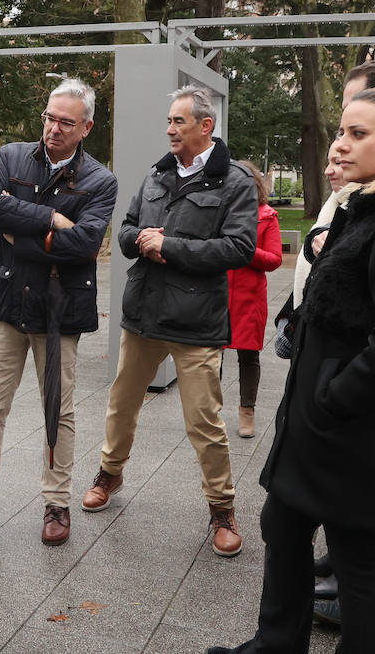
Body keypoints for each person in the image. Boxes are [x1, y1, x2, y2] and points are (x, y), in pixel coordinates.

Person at [208, 86, 375, 654]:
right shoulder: (370, 208)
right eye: (340, 132)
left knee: (357, 557)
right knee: (284, 528)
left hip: (357, 426)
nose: (342, 145)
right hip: (321, 420)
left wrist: (334, 399)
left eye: (358, 133)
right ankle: (277, 643)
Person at [80, 85, 257, 557]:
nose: (169, 129)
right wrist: (140, 239)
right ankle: (110, 474)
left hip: (196, 322)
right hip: (143, 314)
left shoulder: (234, 181)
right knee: (121, 405)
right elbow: (126, 230)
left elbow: (239, 249)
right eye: (168, 121)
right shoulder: (157, 173)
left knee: (205, 421)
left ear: (206, 126)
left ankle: (222, 509)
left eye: (178, 121)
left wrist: (169, 247)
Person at [0, 77, 117, 546]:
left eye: (66, 122)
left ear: (86, 127)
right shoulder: (12, 156)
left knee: (57, 410)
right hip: (5, 302)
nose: (53, 129)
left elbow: (84, 244)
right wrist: (48, 219)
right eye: (49, 117)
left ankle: (56, 504)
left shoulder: (100, 180)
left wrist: (14, 226)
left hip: (59, 309)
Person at [227, 161, 283, 438]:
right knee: (208, 356)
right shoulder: (220, 212)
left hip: (249, 298)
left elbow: (274, 259)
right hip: (218, 295)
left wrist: (245, 251)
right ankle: (207, 412)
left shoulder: (267, 216)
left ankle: (246, 411)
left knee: (248, 356)